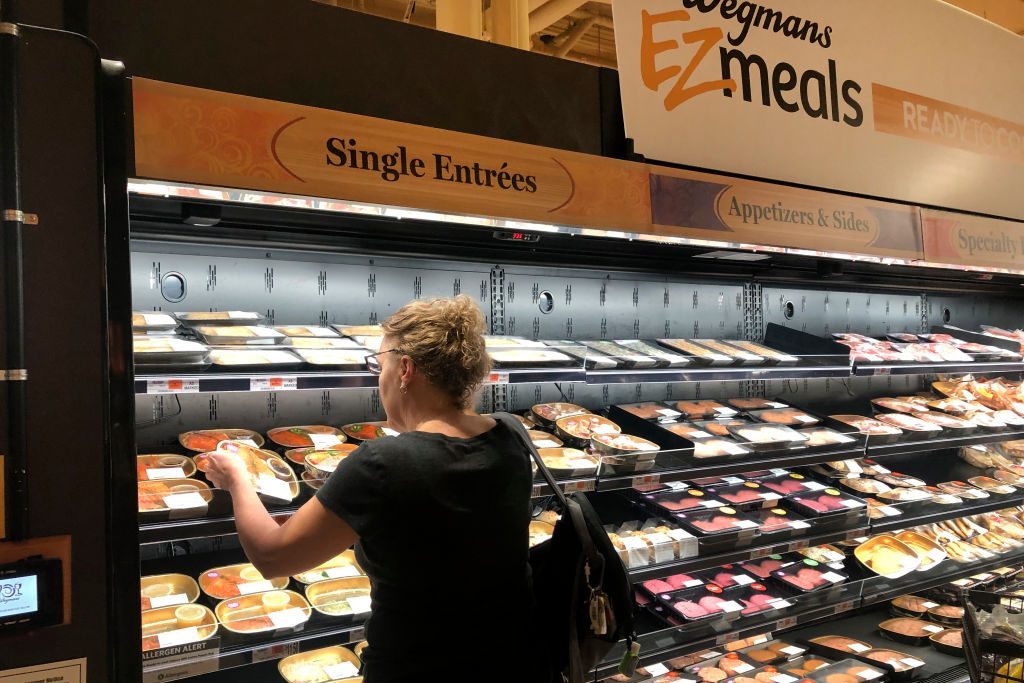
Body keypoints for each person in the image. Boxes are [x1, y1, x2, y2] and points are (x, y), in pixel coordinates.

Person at [205, 295, 536, 682]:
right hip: (516, 657)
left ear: (405, 370)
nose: (379, 377)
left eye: (379, 365)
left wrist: (237, 479)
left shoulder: (384, 463)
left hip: (419, 666)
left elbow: (273, 557)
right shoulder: (512, 434)